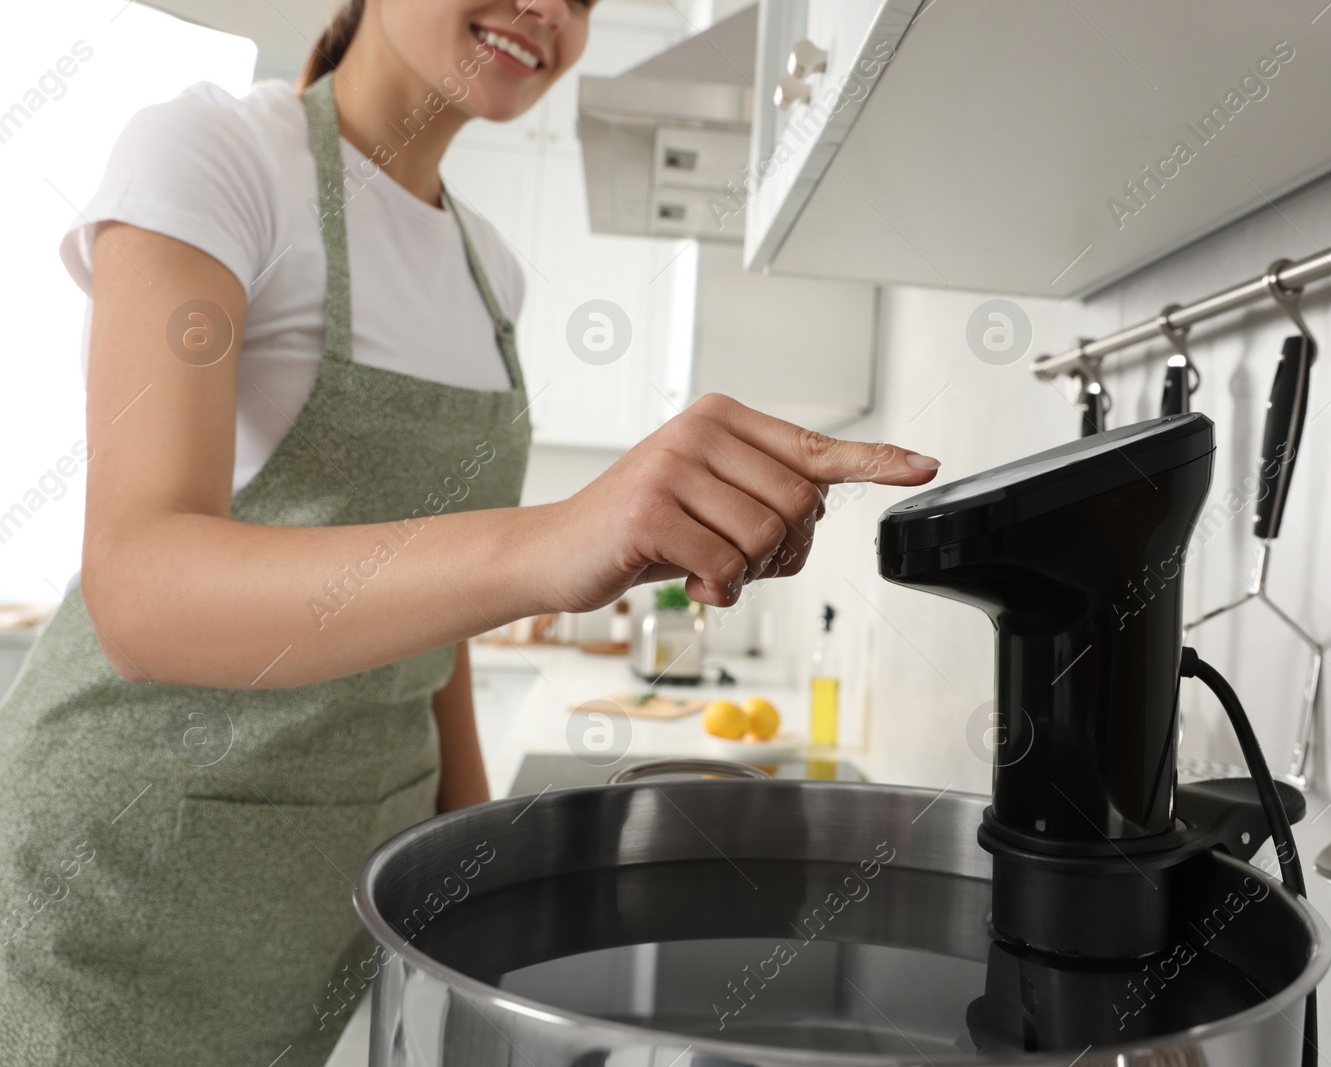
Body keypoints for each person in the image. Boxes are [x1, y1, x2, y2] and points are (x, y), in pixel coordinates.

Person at [0, 1, 940, 1063]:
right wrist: (552, 538)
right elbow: (139, 589)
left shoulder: (491, 267)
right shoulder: (215, 153)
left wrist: (478, 868)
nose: (551, 12)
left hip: (325, 903)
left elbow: (436, 622)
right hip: (114, 894)